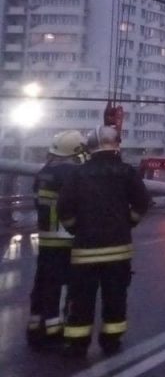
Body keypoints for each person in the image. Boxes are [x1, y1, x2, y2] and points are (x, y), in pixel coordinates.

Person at [58, 126, 151, 357]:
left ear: (90, 147)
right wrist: (129, 223)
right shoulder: (126, 172)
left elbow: (64, 208)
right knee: (115, 298)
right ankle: (111, 340)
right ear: (116, 144)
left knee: (81, 299)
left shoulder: (77, 174)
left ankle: (78, 344)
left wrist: (75, 229)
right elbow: (142, 202)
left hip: (85, 250)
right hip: (119, 250)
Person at [26, 130, 87, 350]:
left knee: (42, 282)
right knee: (61, 285)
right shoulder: (73, 175)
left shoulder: (43, 173)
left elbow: (38, 203)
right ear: (77, 152)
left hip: (45, 237)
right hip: (65, 237)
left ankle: (35, 324)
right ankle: (54, 329)